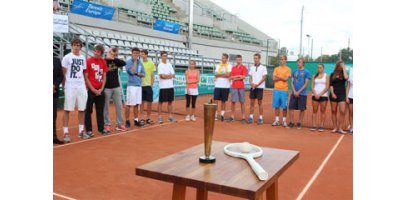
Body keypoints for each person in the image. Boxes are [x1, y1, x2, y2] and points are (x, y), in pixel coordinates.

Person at [61, 38, 88, 143]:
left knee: (82, 109)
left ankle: (81, 131)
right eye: (75, 45)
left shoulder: (82, 58)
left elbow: (83, 72)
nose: (77, 47)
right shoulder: (67, 57)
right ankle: (65, 133)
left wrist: (84, 85)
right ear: (72, 46)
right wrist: (65, 86)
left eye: (78, 45)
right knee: (67, 109)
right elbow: (63, 73)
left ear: (81, 47)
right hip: (70, 86)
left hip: (81, 86)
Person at [84, 44, 109, 136]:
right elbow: (86, 77)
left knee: (100, 110)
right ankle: (89, 130)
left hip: (100, 89)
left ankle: (101, 128)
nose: (96, 53)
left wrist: (101, 88)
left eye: (98, 52)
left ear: (101, 53)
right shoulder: (88, 61)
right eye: (95, 51)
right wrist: (93, 89)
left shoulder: (103, 62)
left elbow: (105, 75)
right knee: (88, 111)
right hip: (91, 90)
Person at [103, 47, 127, 132]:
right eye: (112, 52)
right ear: (108, 53)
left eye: (115, 53)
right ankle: (107, 124)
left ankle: (119, 124)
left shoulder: (116, 61)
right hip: (106, 87)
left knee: (119, 106)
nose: (113, 54)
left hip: (116, 87)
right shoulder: (104, 61)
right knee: (105, 107)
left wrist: (115, 58)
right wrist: (109, 57)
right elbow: (104, 63)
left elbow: (124, 63)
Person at [287, 58, 311, 129]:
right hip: (294, 93)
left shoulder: (307, 72)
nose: (298, 63)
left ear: (303, 63)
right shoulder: (294, 71)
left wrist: (298, 92)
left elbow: (306, 84)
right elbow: (291, 82)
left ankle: (299, 122)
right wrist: (294, 91)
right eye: (297, 62)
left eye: (300, 62)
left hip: (302, 94)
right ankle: (291, 122)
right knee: (291, 107)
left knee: (302, 109)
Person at [125, 47, 145, 128]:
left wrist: (137, 73)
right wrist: (135, 62)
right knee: (129, 104)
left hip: (138, 85)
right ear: (132, 53)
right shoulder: (129, 62)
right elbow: (132, 71)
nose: (136, 55)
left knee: (137, 104)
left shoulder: (140, 62)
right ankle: (127, 120)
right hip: (131, 86)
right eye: (134, 53)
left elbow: (143, 74)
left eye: (137, 53)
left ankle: (136, 120)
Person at [271, 55, 291, 127]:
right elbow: (273, 78)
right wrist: (281, 77)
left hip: (284, 90)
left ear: (285, 60)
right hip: (276, 90)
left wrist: (278, 76)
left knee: (284, 107)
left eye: (283, 59)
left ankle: (284, 121)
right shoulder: (276, 69)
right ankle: (276, 120)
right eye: (281, 59)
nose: (282, 60)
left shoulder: (288, 69)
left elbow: (286, 79)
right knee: (276, 106)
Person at [247, 53, 267, 125]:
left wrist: (257, 85)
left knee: (260, 103)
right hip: (253, 87)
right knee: (252, 103)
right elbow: (250, 77)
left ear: (259, 59)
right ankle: (251, 117)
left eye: (256, 58)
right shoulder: (252, 67)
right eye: (254, 58)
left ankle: (261, 118)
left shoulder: (263, 67)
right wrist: (251, 84)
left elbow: (264, 77)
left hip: (259, 87)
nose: (255, 59)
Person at [329, 61, 349, 134]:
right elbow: (331, 85)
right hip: (334, 94)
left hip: (342, 94)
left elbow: (346, 78)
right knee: (334, 111)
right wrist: (333, 93)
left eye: (343, 65)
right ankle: (335, 128)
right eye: (341, 65)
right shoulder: (332, 74)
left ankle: (340, 128)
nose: (342, 66)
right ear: (338, 66)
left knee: (342, 111)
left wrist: (344, 68)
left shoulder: (344, 74)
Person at [157, 51, 176, 124]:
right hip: (163, 87)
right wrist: (169, 76)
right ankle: (159, 117)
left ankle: (170, 117)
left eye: (166, 56)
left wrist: (167, 76)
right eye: (163, 56)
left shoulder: (169, 65)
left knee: (170, 102)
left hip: (170, 86)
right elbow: (162, 76)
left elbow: (173, 75)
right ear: (161, 57)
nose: (165, 57)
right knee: (160, 102)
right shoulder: (160, 65)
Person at [228, 55, 248, 123]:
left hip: (241, 87)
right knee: (233, 102)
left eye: (239, 60)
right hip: (234, 86)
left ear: (241, 60)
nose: (238, 61)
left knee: (242, 102)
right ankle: (232, 116)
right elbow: (230, 77)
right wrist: (238, 76)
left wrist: (235, 77)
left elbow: (243, 77)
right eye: (237, 60)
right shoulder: (233, 68)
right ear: (236, 60)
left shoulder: (244, 67)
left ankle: (243, 117)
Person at [310, 64, 329, 132]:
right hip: (315, 95)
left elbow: (327, 87)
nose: (319, 69)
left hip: (323, 96)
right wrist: (315, 94)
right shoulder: (314, 76)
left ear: (323, 68)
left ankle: (321, 126)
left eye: (320, 68)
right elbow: (312, 86)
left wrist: (320, 94)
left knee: (322, 111)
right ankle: (314, 125)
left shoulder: (326, 76)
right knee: (314, 111)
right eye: (318, 68)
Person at [213, 53, 232, 121]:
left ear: (227, 59)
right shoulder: (218, 65)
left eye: (224, 58)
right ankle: (215, 114)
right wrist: (223, 74)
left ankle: (222, 115)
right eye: (222, 57)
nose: (223, 59)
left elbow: (228, 75)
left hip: (225, 86)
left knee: (223, 101)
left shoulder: (229, 66)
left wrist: (219, 75)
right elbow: (216, 74)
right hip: (218, 85)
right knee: (215, 101)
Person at [140, 49, 156, 125]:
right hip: (140, 86)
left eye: (143, 54)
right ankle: (142, 118)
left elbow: (152, 76)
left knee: (149, 103)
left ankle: (148, 118)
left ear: (146, 55)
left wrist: (151, 84)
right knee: (142, 103)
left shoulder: (151, 63)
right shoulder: (139, 63)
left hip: (148, 86)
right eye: (141, 54)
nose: (142, 55)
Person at [53, 56, 64, 144]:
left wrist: (54, 85)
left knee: (53, 116)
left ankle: (53, 136)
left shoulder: (56, 60)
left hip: (54, 92)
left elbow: (60, 76)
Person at [346, 69, 353, 134]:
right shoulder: (351, 71)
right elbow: (348, 86)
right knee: (351, 112)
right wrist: (347, 96)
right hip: (351, 96)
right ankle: (351, 127)